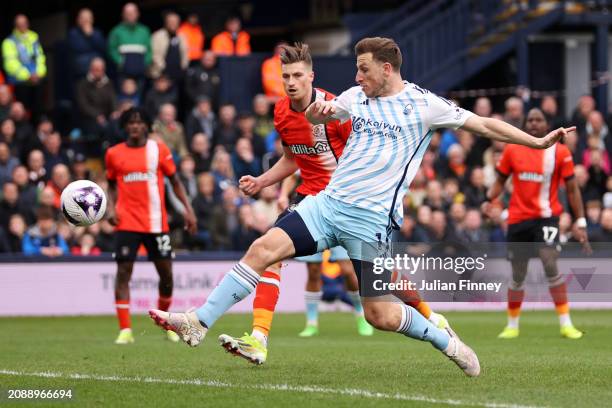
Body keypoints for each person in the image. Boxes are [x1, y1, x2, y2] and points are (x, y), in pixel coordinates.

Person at [150, 37, 572, 377]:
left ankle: (447, 342)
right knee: (262, 250)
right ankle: (199, 322)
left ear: (386, 68)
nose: (357, 76)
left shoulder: (425, 105)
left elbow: (483, 124)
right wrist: (320, 114)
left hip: (371, 221)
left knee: (380, 315)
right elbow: (326, 115)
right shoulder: (356, 96)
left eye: (364, 68)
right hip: (327, 204)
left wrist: (534, 141)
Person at [483, 108, 589, 340]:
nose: (533, 123)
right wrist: (488, 200)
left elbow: (572, 190)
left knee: (549, 262)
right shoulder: (512, 150)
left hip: (547, 217)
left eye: (538, 120)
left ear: (547, 124)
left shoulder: (560, 153)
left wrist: (580, 220)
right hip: (518, 219)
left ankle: (566, 324)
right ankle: (512, 325)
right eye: (529, 120)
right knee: (518, 273)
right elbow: (500, 181)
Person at [105, 107, 196, 344]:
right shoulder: (114, 154)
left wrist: (189, 210)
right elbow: (111, 184)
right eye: (131, 122)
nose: (135, 126)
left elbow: (175, 181)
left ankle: (166, 323)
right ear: (125, 126)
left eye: (139, 122)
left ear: (147, 125)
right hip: (126, 223)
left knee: (166, 275)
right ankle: (125, 329)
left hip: (156, 223)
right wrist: (112, 208)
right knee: (123, 272)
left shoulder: (159, 150)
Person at [2, 14, 46, 121]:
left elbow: (40, 57)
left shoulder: (33, 37)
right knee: (22, 112)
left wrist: (39, 73)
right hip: (19, 83)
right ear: (15, 26)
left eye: (24, 23)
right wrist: (27, 76)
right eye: (19, 24)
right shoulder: (9, 42)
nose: (22, 26)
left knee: (39, 110)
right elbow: (10, 63)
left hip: (36, 80)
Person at [107, 3, 151, 90]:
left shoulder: (144, 31)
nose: (130, 15)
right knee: (124, 100)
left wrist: (145, 63)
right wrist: (121, 62)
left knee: (140, 99)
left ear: (138, 14)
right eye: (128, 13)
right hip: (123, 73)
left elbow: (149, 50)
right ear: (123, 15)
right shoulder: (116, 31)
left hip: (140, 73)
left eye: (133, 13)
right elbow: (111, 50)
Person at [68, 8, 106, 79]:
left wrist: (91, 35)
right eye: (83, 18)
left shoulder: (97, 33)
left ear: (92, 20)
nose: (86, 20)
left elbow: (103, 49)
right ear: (78, 20)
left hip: (97, 70)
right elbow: (78, 49)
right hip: (81, 71)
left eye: (88, 18)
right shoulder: (73, 33)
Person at [149, 12, 188, 82]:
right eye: (171, 21)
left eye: (175, 22)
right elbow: (155, 55)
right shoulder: (157, 36)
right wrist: (163, 68)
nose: (173, 24)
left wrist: (184, 67)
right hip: (161, 75)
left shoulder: (182, 36)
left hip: (178, 74)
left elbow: (185, 53)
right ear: (166, 23)